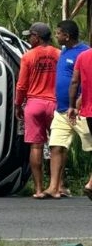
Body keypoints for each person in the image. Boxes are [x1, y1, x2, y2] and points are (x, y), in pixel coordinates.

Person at [16, 21, 60, 199]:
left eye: (30, 36)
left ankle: (39, 189)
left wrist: (18, 104)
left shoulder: (28, 56)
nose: (29, 38)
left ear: (37, 37)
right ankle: (57, 186)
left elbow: (22, 85)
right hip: (55, 104)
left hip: (34, 104)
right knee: (57, 146)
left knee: (36, 146)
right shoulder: (59, 54)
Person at [47, 20, 90, 198]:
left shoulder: (85, 52)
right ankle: (54, 187)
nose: (56, 36)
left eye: (58, 33)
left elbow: (83, 81)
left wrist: (78, 102)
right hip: (62, 110)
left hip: (81, 110)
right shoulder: (64, 52)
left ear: (67, 35)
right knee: (56, 146)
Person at [67, 42, 92, 200]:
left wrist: (72, 106)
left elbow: (75, 82)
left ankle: (91, 182)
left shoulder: (83, 56)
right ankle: (91, 183)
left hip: (89, 111)